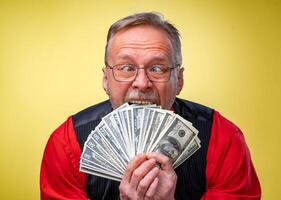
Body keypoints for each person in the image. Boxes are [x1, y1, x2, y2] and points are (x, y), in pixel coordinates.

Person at [40, 12, 261, 199]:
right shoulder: (67, 143)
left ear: (179, 80)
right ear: (106, 79)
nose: (142, 83)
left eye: (157, 68)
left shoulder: (222, 138)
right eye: (126, 68)